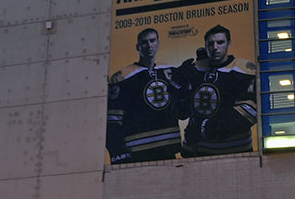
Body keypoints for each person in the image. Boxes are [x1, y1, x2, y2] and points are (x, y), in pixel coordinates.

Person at [174, 25, 256, 157]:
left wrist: (205, 128)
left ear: (229, 44)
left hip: (236, 153)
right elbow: (182, 112)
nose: (215, 47)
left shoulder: (242, 69)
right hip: (197, 154)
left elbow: (250, 111)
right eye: (210, 44)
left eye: (220, 42)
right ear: (205, 46)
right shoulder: (195, 69)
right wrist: (179, 84)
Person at [106, 28, 182, 163]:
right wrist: (118, 152)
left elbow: (181, 110)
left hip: (168, 151)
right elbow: (112, 121)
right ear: (138, 46)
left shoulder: (170, 72)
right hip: (137, 154)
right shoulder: (122, 77)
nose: (149, 45)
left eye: (152, 41)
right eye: (144, 42)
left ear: (158, 43)